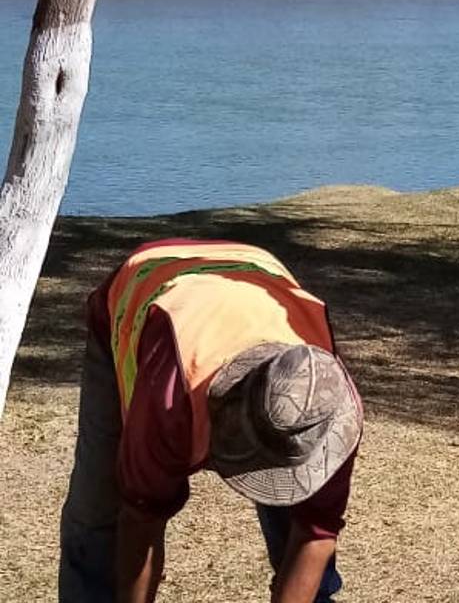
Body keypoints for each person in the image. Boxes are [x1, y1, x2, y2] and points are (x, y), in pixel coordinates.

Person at [59, 239, 363, 603]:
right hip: (145, 289)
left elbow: (316, 531)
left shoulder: (332, 413)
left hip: (253, 269)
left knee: (299, 521)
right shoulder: (172, 397)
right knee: (98, 511)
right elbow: (142, 517)